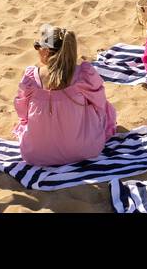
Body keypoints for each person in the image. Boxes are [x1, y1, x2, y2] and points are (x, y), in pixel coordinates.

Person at [12, 25, 117, 166]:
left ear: (46, 51)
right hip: (85, 150)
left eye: (37, 46)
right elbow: (100, 104)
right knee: (106, 110)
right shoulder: (84, 74)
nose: (37, 51)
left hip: (37, 154)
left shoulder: (32, 78)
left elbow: (22, 112)